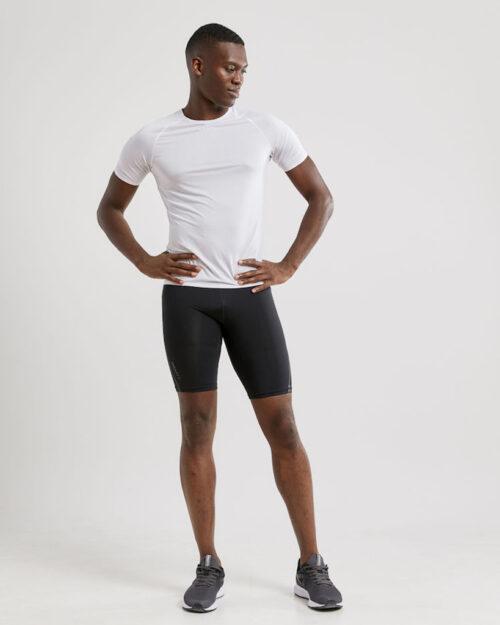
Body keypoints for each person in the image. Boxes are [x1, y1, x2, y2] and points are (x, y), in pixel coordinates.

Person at [97, 22, 343, 612]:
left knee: (283, 427)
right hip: (188, 302)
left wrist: (288, 265)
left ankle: (311, 563)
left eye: (244, 71)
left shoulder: (263, 129)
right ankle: (208, 563)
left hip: (250, 297)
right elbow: (109, 209)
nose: (238, 79)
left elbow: (321, 197)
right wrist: (145, 260)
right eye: (230, 68)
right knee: (197, 427)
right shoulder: (153, 138)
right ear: (198, 66)